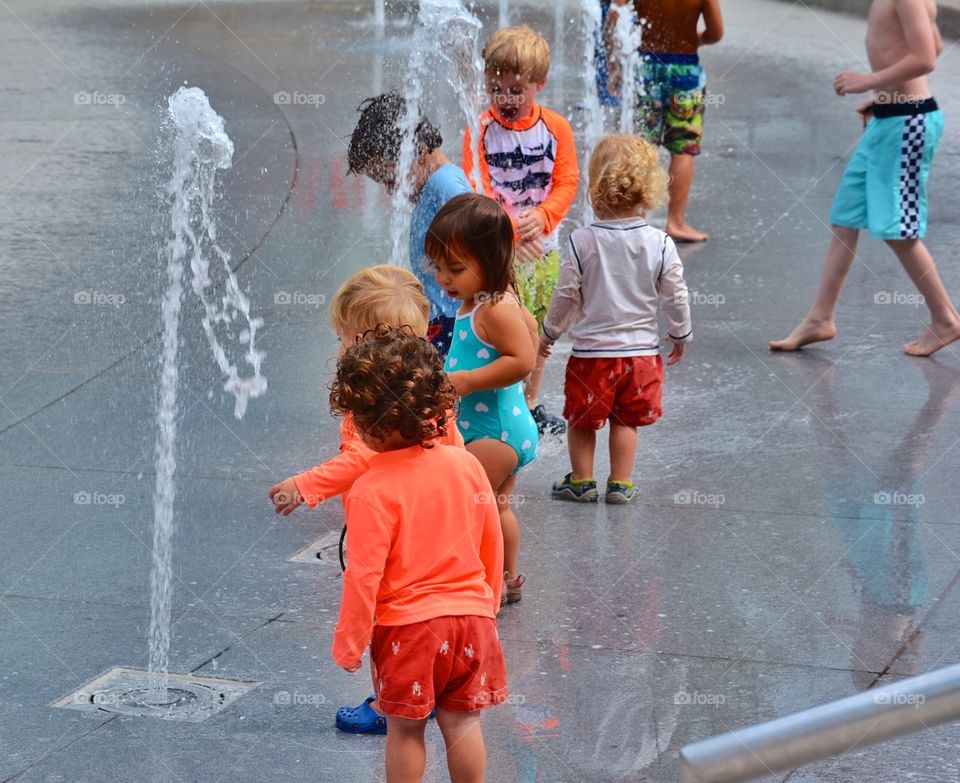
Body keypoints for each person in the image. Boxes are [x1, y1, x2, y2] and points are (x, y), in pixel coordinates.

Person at [266, 265, 464, 735]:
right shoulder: (430, 396)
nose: (337, 350)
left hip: (391, 529)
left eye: (342, 339)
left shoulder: (375, 409)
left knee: (390, 615)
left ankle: (391, 699)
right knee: (431, 612)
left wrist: (304, 485)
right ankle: (430, 685)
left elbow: (359, 458)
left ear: (365, 345)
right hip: (438, 530)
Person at [330, 324, 507, 783]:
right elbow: (491, 539)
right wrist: (488, 603)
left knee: (406, 731)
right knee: (463, 723)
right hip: (472, 621)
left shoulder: (371, 489)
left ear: (365, 423)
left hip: (409, 631)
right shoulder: (465, 464)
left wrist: (350, 641)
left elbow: (364, 575)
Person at [770, 0, 959, 357]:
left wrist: (868, 82)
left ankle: (946, 319)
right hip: (889, 119)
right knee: (846, 216)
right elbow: (931, 44)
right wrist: (882, 96)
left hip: (908, 123)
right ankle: (820, 318)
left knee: (897, 230)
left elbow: (925, 58)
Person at [540, 134, 691, 503]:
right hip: (641, 357)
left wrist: (549, 333)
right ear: (647, 190)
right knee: (625, 420)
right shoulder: (660, 243)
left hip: (592, 357)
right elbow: (676, 294)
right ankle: (620, 483)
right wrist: (679, 333)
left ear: (595, 188)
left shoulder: (582, 241)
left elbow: (566, 295)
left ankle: (581, 481)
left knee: (582, 421)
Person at [463, 25, 580, 435]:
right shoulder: (480, 129)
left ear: (539, 83)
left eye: (516, 90)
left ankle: (528, 404)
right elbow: (477, 185)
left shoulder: (556, 129)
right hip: (497, 252)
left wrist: (544, 216)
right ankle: (498, 400)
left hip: (543, 249)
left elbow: (567, 181)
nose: (506, 100)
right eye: (496, 89)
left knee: (539, 332)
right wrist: (511, 231)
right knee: (501, 326)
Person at [426, 193, 539, 604]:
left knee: (466, 506)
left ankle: (477, 582)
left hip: (495, 432)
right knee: (495, 506)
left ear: (491, 260)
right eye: (438, 267)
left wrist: (470, 380)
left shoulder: (494, 309)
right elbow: (533, 332)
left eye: (456, 268)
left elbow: (523, 358)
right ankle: (506, 578)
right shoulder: (482, 301)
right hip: (499, 427)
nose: (444, 278)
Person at [347, 93, 471, 357]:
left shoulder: (445, 187)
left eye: (392, 179)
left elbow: (481, 243)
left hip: (453, 325)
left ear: (421, 151)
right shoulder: (434, 186)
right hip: (442, 321)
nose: (393, 191)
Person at [609, 0, 723, 243]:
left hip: (645, 67)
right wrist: (696, 39)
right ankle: (676, 221)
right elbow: (716, 33)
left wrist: (615, 59)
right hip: (685, 72)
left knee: (640, 147)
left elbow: (614, 13)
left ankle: (634, 218)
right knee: (683, 148)